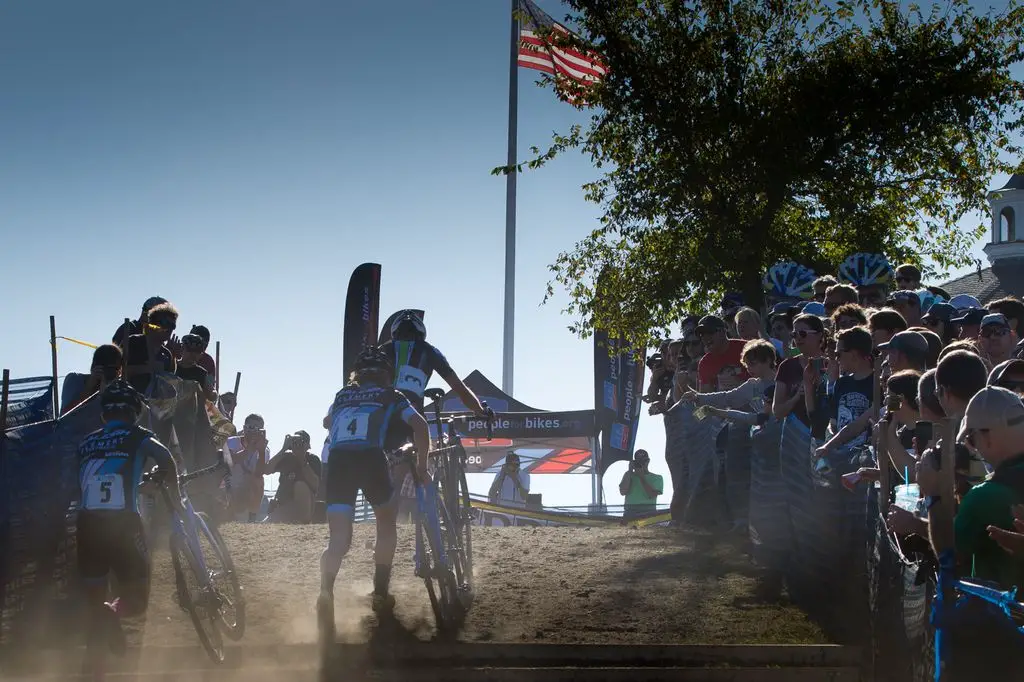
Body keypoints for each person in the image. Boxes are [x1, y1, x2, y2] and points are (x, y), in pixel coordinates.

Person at [318, 346, 431, 635]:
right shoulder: (392, 394)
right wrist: (422, 464)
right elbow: (420, 425)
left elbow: (327, 422)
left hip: (339, 462)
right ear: (385, 375)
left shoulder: (342, 395)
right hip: (370, 458)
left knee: (339, 539)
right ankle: (380, 591)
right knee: (385, 521)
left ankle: (325, 592)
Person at [76, 381, 187, 672]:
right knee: (136, 600)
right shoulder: (139, 436)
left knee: (93, 603)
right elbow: (167, 460)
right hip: (123, 524)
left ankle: (92, 669)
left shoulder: (86, 443)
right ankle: (113, 612)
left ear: (104, 415)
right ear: (134, 412)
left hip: (87, 526)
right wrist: (175, 501)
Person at [223, 414, 271, 522]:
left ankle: (252, 518)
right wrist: (248, 450)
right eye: (251, 427)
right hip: (228, 487)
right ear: (244, 428)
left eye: (258, 429)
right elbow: (228, 462)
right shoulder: (231, 442)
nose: (254, 431)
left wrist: (261, 452)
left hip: (246, 490)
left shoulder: (264, 450)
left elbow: (259, 474)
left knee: (258, 481)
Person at [266, 431, 322, 524]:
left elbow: (315, 485)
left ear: (308, 446)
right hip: (284, 505)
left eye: (301, 442)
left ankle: (302, 520)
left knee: (300, 485)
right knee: (268, 523)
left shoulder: (312, 459)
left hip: (304, 506)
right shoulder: (286, 458)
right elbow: (267, 470)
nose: (297, 445)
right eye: (294, 442)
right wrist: (283, 449)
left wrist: (302, 459)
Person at [63, 344, 123, 416]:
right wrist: (88, 388)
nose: (109, 373)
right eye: (106, 369)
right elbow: (64, 416)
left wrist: (111, 391)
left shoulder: (122, 388)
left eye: (114, 369)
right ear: (95, 366)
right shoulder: (75, 380)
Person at [619, 450, 664, 518]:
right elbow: (623, 491)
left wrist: (641, 477)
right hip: (630, 512)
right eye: (638, 461)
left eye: (643, 460)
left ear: (648, 461)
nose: (641, 463)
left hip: (648, 512)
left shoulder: (657, 478)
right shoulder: (628, 475)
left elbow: (651, 494)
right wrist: (630, 471)